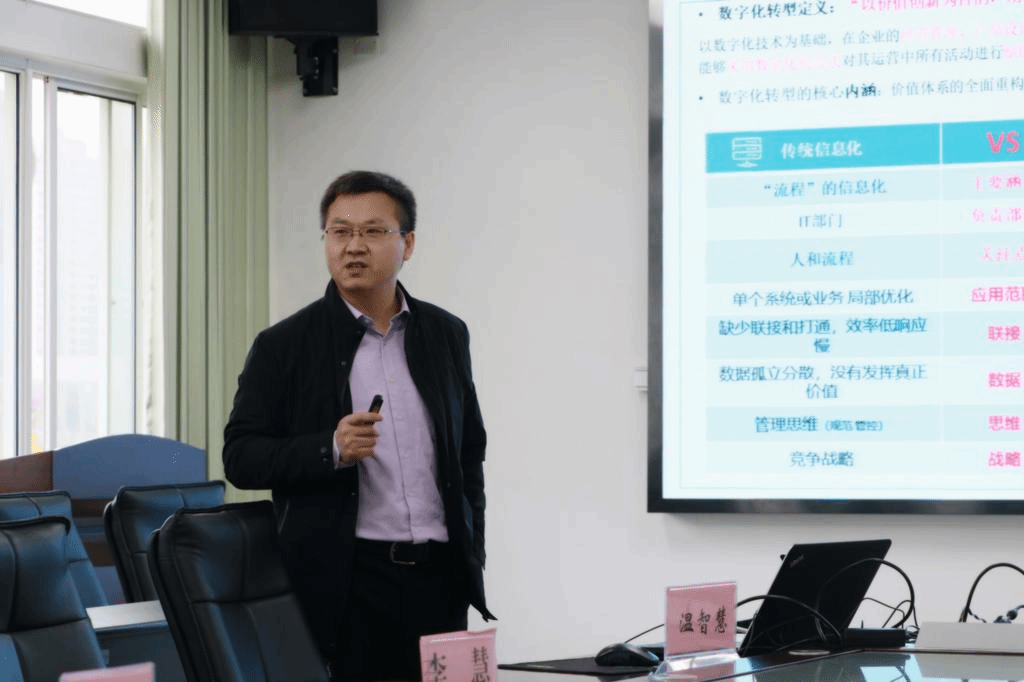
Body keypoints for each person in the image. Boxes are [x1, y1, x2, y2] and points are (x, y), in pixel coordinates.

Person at [223, 170, 494, 681]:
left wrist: (472, 550)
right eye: (339, 231)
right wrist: (330, 448)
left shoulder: (445, 334)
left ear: (407, 243)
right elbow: (240, 456)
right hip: (349, 584)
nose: (353, 246)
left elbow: (468, 454)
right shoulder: (284, 346)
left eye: (372, 231)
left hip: (440, 578)